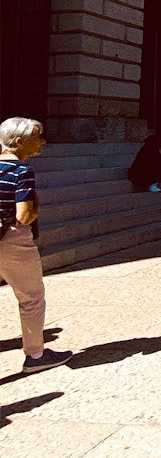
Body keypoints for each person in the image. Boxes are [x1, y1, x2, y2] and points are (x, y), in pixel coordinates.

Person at [0, 117, 72, 373]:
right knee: (31, 298)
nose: (43, 141)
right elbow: (23, 216)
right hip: (12, 240)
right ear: (19, 141)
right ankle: (36, 355)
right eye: (37, 136)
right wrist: (36, 207)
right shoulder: (21, 172)